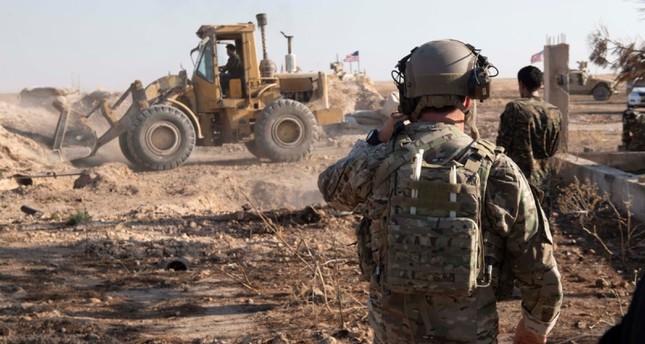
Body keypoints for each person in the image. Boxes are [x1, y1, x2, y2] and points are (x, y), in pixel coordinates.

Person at [318, 39, 563, 343]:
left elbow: (330, 188)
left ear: (409, 95)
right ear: (471, 98)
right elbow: (541, 275)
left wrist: (375, 140)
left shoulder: (378, 160)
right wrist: (532, 332)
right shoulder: (499, 171)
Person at [496, 66, 562, 213]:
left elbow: (501, 146)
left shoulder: (515, 108)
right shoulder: (554, 111)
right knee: (543, 222)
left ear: (521, 84)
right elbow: (554, 148)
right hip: (544, 179)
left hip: (518, 179)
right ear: (540, 84)